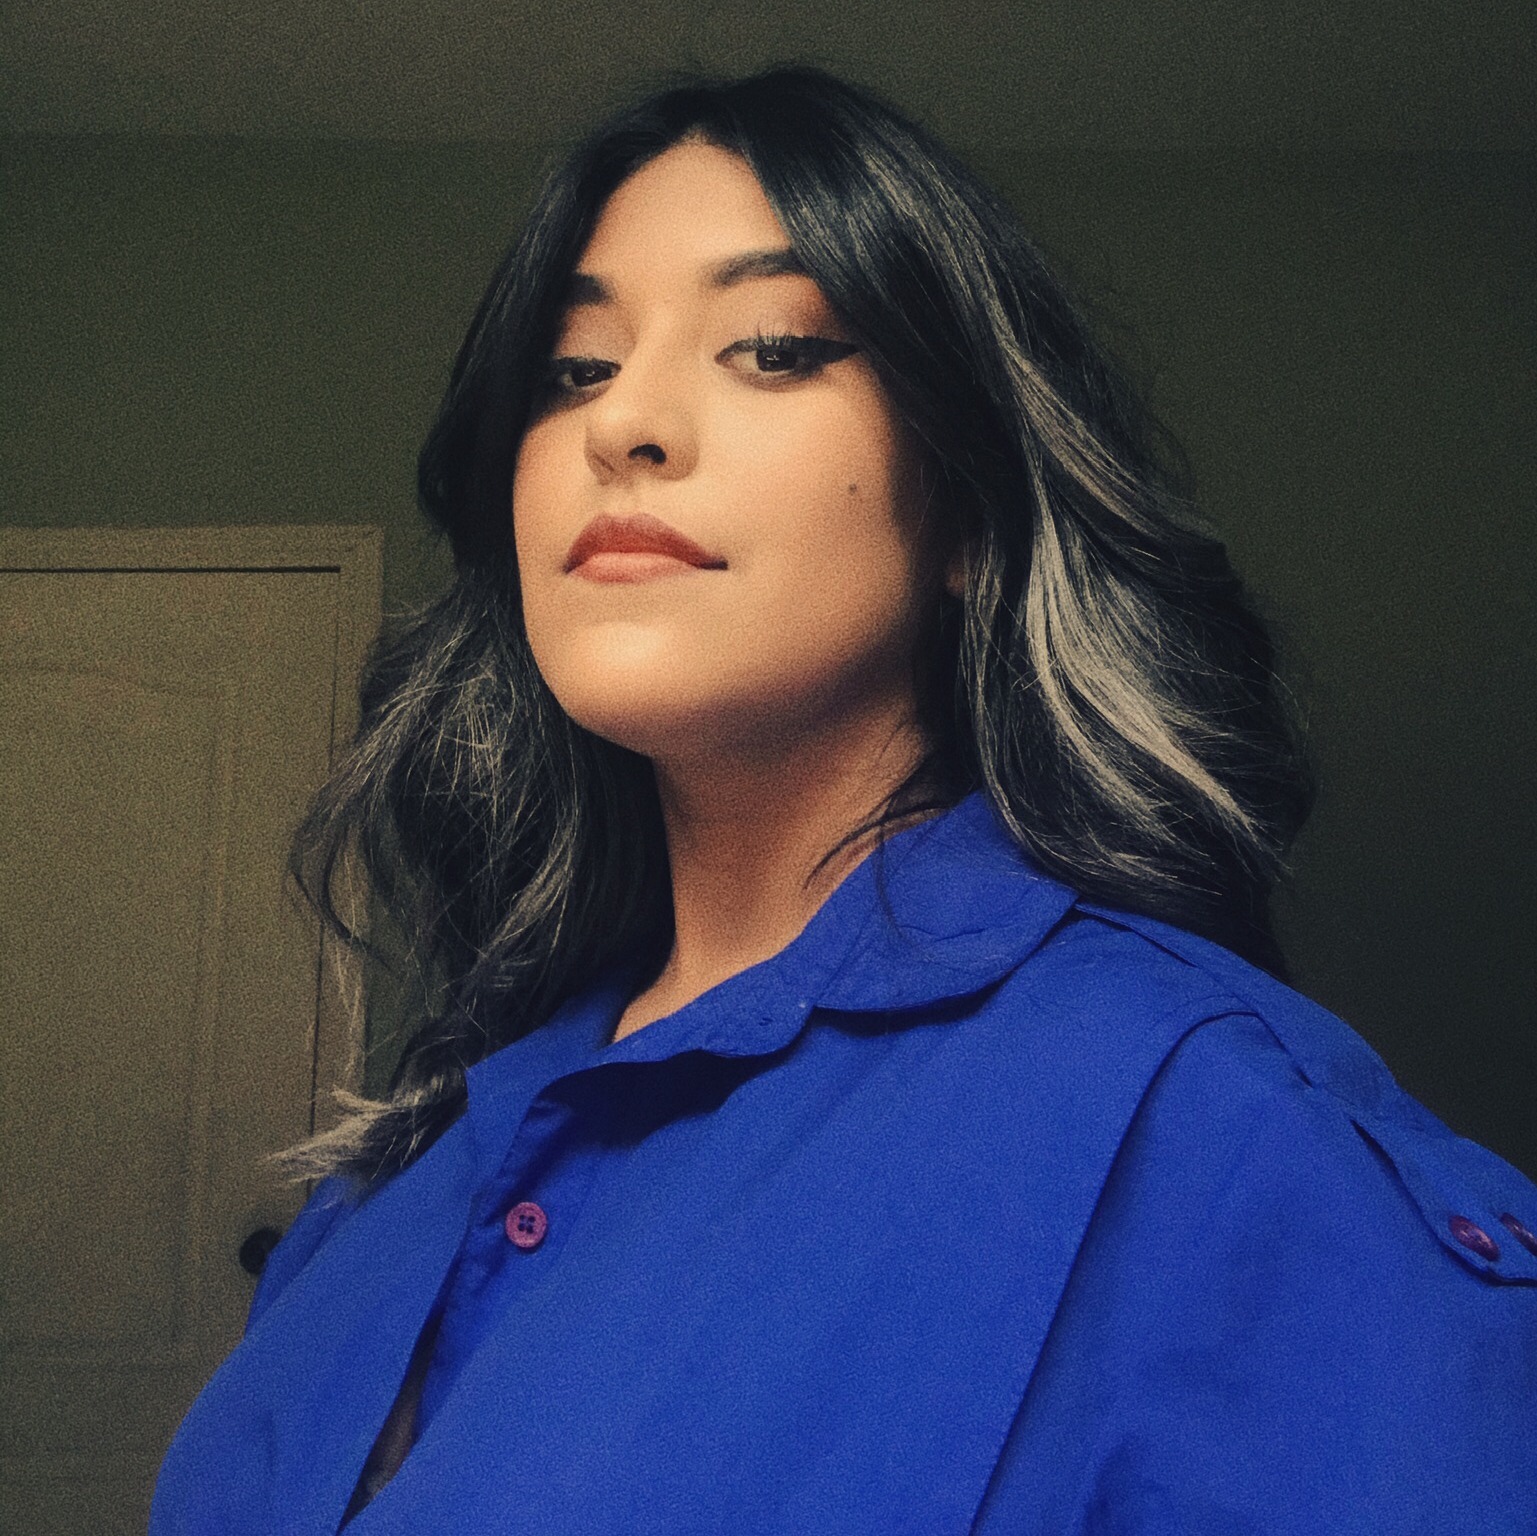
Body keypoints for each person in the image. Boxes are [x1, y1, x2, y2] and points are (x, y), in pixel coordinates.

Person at [151, 65, 1537, 1533]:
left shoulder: (1215, 1128)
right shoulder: (402, 1174)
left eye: (772, 347)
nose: (624, 422)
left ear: (971, 510)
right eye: (574, 367)